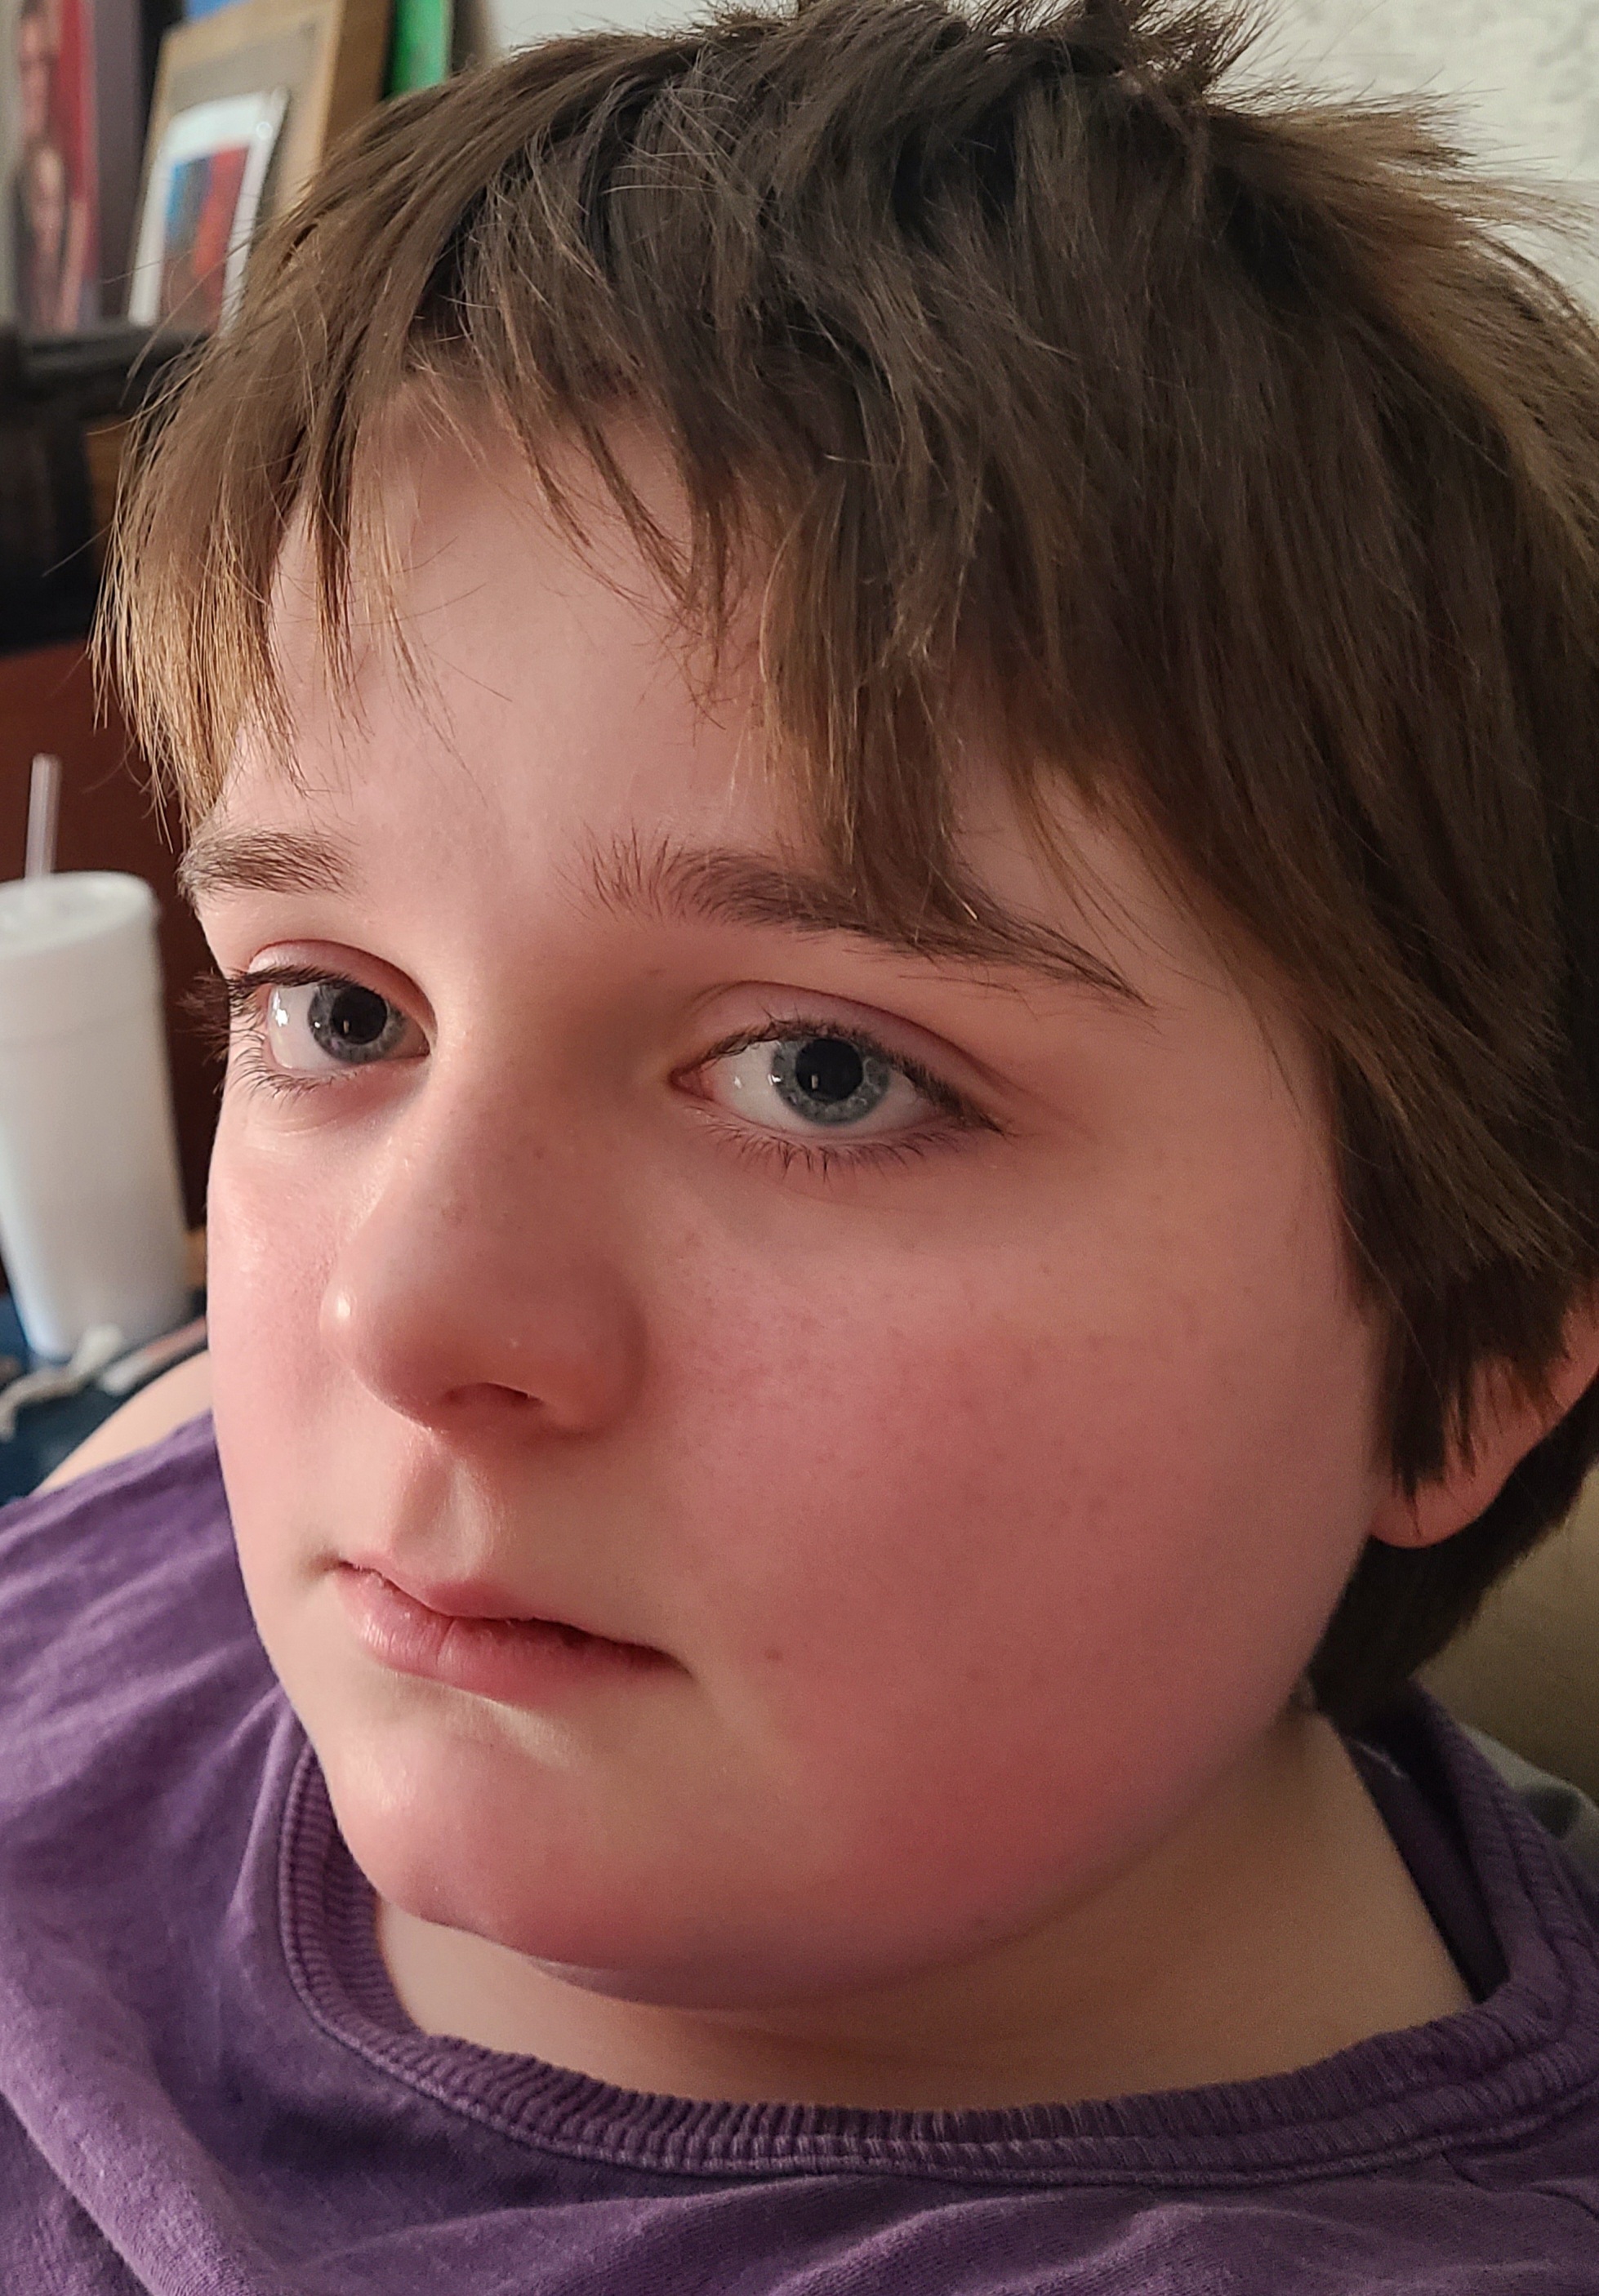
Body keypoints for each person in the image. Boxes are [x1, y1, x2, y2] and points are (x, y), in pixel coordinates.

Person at [8, 0, 1599, 2282]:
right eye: (339, 1011)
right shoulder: (217, 1503)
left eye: (823, 1075)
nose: (399, 1314)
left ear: (1478, 1360)